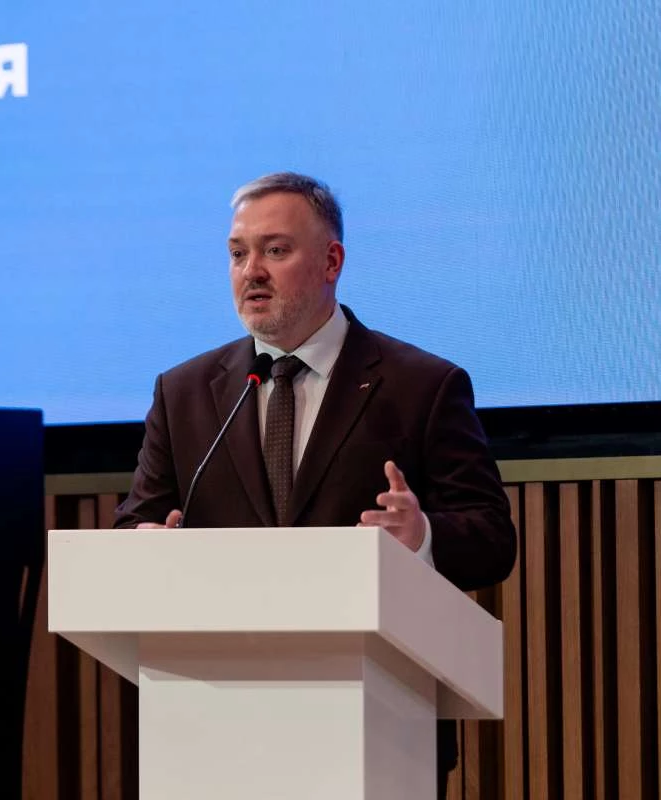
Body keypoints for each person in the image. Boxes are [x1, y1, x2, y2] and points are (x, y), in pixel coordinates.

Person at [114, 171, 517, 797]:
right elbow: (136, 521)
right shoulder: (185, 391)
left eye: (275, 250)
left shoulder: (422, 386)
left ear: (332, 262)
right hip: (213, 733)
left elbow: (492, 538)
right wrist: (147, 545)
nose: (252, 272)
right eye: (238, 253)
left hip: (378, 731)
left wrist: (421, 538)